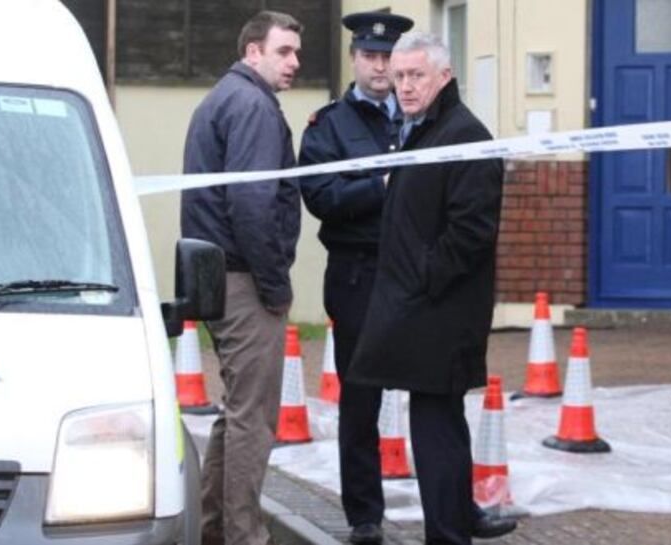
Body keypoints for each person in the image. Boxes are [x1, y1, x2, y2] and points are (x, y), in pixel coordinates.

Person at [347, 32, 517, 545]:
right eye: (399, 77)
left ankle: (447, 534)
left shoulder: (463, 135)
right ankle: (456, 524)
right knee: (440, 422)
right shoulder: (418, 131)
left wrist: (422, 276)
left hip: (441, 312)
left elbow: (471, 232)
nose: (404, 86)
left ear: (444, 76)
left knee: (436, 429)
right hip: (418, 308)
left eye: (415, 75)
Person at [179, 11, 302, 545]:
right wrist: (275, 283)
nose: (295, 62)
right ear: (254, 51)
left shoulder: (226, 97)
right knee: (253, 418)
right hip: (243, 280)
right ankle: (244, 537)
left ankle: (215, 531)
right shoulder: (251, 105)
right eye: (284, 51)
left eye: (297, 52)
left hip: (219, 277)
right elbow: (252, 204)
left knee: (236, 415)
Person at [296, 11, 412, 545]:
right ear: (354, 59)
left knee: (436, 391)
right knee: (360, 400)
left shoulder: (417, 116)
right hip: (358, 274)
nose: (380, 66)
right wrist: (384, 187)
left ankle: (453, 505)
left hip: (413, 273)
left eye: (388, 56)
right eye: (370, 55)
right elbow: (322, 198)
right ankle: (365, 517)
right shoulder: (329, 126)